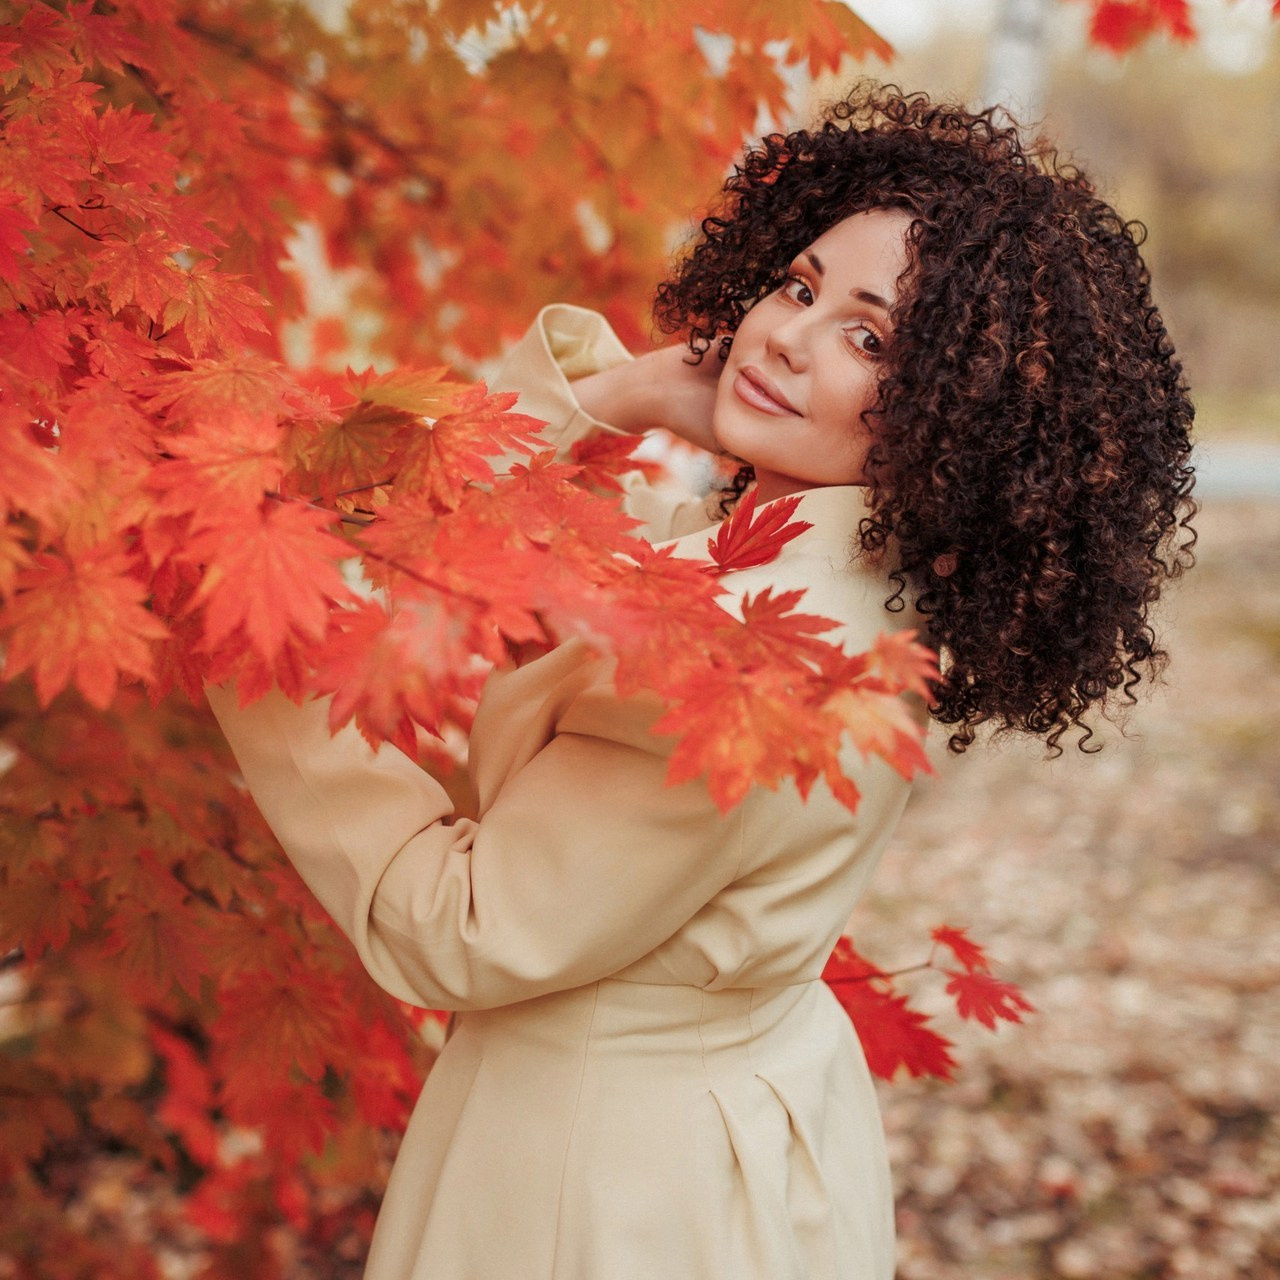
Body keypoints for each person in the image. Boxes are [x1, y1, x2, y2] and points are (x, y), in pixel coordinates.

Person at [206, 86, 1195, 1279]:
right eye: (798, 287)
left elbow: (458, 927)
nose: (785, 337)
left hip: (601, 1187)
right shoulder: (814, 580)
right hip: (735, 1133)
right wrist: (613, 393)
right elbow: (499, 541)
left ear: (954, 420)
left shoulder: (741, 660)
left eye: (868, 339)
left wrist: (248, 640)